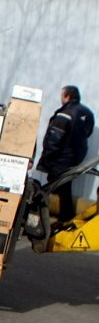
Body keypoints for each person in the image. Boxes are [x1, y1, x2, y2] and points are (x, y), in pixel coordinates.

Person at [36, 85, 94, 226]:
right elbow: (87, 133)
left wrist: (47, 158)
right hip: (75, 158)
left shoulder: (65, 114)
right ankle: (62, 218)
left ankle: (53, 218)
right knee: (64, 189)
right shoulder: (87, 113)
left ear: (67, 96)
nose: (61, 98)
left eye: (62, 95)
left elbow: (54, 139)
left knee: (55, 188)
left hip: (60, 159)